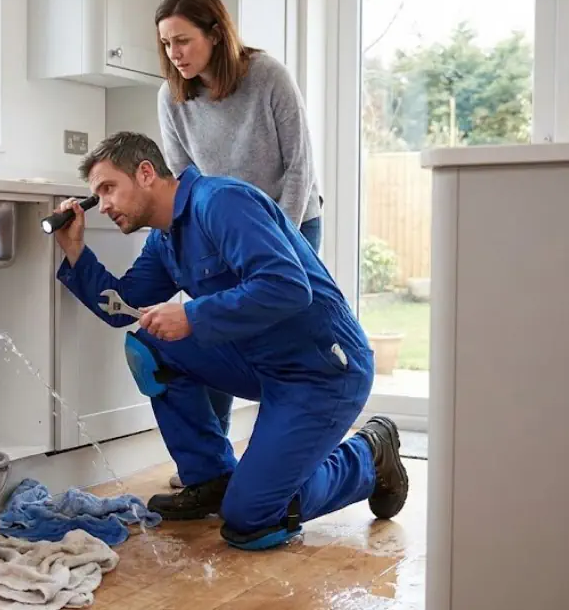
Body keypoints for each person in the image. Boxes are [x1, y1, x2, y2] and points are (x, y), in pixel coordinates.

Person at [53, 131, 407, 550]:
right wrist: (75, 250)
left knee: (253, 521)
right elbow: (121, 306)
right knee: (150, 344)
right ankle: (213, 479)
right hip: (261, 362)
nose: (104, 205)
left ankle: (369, 453)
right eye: (97, 195)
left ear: (146, 172)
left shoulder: (221, 203)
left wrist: (191, 315)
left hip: (322, 370)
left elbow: (289, 287)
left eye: (108, 188)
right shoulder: (165, 239)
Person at [154, 0, 326, 488]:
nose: (175, 54)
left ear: (215, 33)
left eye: (183, 41)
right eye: (167, 44)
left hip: (290, 223)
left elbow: (300, 164)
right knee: (214, 329)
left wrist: (283, 243)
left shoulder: (267, 75)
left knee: (282, 339)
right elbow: (183, 177)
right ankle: (213, 463)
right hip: (220, 234)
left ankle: (283, 457)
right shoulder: (172, 98)